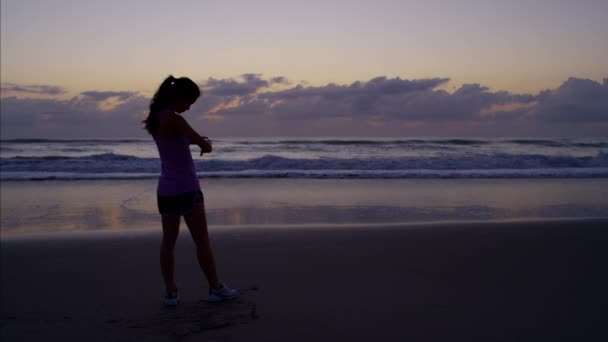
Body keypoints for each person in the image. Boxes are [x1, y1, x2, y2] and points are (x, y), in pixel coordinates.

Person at [143, 75, 237, 306]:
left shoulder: (156, 118)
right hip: (187, 188)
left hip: (165, 190)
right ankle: (215, 288)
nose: (188, 108)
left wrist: (193, 140)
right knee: (202, 241)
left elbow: (177, 142)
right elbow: (204, 145)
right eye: (189, 103)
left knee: (168, 243)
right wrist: (205, 143)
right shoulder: (175, 119)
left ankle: (170, 293)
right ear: (177, 97)